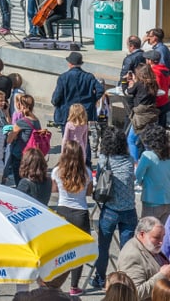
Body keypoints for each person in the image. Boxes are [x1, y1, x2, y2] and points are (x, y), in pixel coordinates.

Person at [92, 126, 141, 288]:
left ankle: (99, 278)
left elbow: (99, 178)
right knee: (127, 251)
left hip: (110, 209)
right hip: (129, 210)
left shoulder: (104, 159)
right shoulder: (129, 159)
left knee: (103, 247)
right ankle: (124, 281)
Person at [50, 140, 93, 295]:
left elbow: (54, 190)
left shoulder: (56, 171)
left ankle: (55, 283)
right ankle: (74, 286)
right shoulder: (87, 172)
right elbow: (89, 193)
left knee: (61, 251)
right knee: (79, 251)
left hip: (62, 211)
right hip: (80, 213)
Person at [117, 216, 170, 301]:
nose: (162, 242)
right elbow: (134, 293)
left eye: (163, 236)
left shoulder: (149, 245)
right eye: (156, 237)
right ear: (142, 234)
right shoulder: (131, 255)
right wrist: (162, 275)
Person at [136, 123, 170, 223]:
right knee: (163, 235)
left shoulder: (147, 155)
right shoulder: (168, 154)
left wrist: (143, 182)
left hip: (151, 201)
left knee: (147, 233)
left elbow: (137, 177)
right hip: (167, 200)